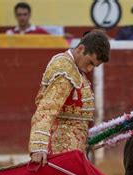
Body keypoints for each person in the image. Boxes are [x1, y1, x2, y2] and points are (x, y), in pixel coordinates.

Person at [28, 30, 110, 165]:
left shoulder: (74, 68)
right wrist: (38, 145)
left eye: (94, 66)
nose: (89, 69)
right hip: (60, 150)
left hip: (70, 150)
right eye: (89, 62)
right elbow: (46, 110)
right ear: (81, 49)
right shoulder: (65, 71)